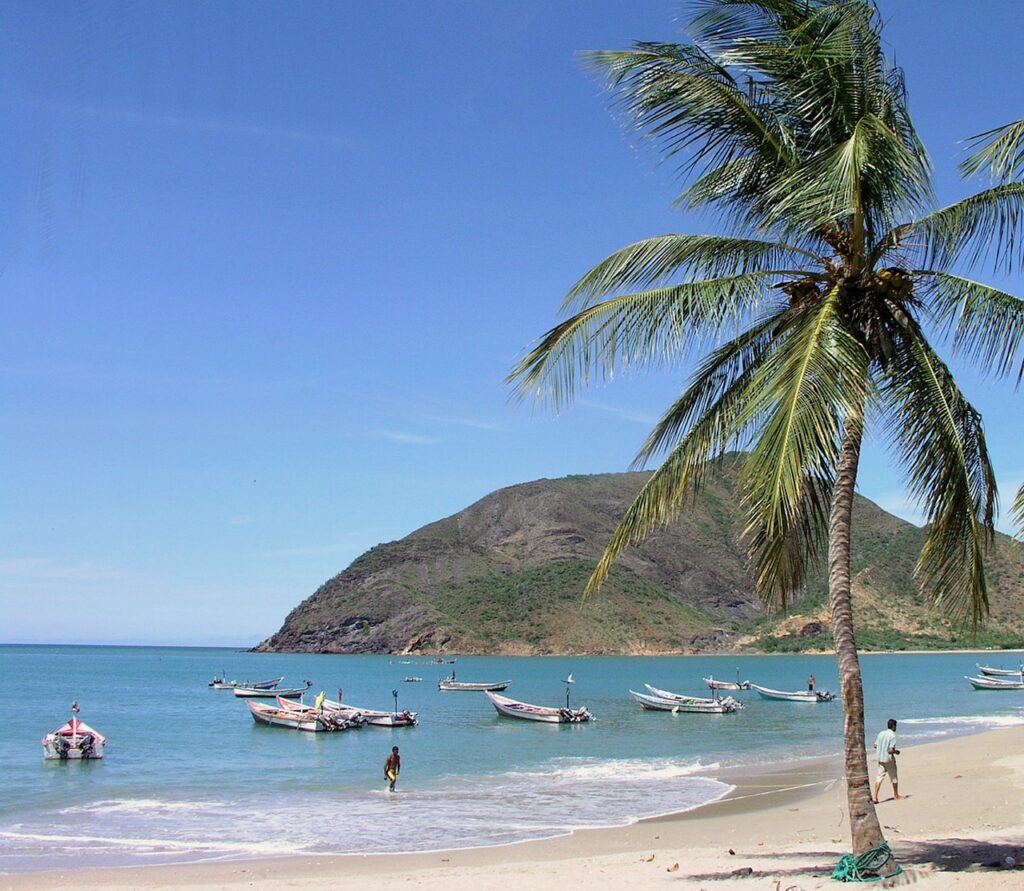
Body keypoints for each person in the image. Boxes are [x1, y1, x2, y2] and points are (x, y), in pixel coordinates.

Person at [872, 718, 903, 803]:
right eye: (895, 726)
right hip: (888, 759)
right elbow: (890, 750)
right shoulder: (892, 735)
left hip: (880, 758)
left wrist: (882, 747)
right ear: (893, 726)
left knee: (879, 777)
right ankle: (896, 795)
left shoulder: (881, 733)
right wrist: (896, 752)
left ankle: (875, 797)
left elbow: (875, 745)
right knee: (894, 777)